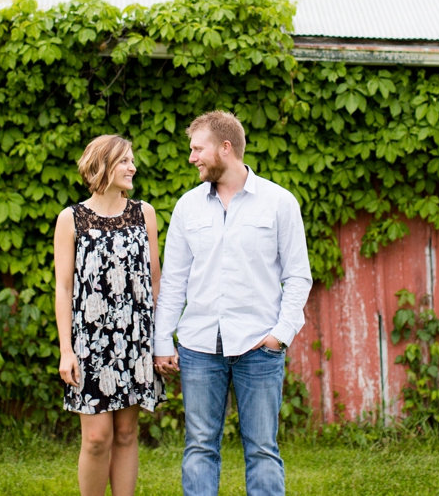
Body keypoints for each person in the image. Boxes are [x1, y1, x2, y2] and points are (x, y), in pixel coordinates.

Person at [153, 111, 312, 496]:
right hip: (198, 347)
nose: (192, 158)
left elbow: (298, 276)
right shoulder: (187, 207)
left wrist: (280, 335)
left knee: (261, 449)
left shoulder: (279, 203)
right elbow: (173, 282)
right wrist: (161, 343)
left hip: (259, 346)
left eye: (197, 149)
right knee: (200, 446)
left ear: (226, 148)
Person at [54, 134, 165, 496]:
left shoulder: (143, 213)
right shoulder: (71, 219)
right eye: (124, 161)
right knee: (97, 438)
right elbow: (64, 289)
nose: (132, 167)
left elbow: (156, 280)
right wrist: (66, 350)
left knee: (127, 433)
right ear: (101, 165)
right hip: (91, 343)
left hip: (135, 340)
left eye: (132, 160)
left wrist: (160, 340)